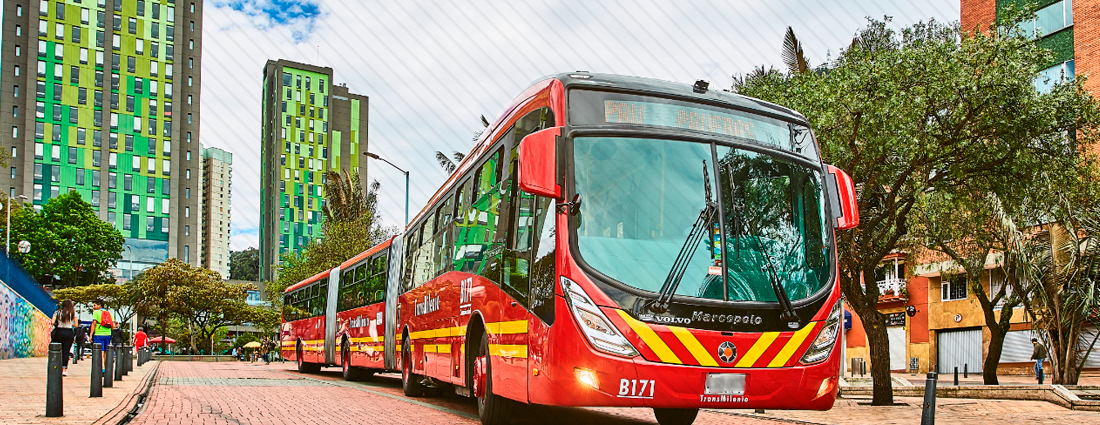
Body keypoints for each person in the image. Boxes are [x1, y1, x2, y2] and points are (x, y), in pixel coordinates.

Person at [51, 300, 77, 376]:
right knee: (66, 351)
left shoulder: (58, 312)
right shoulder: (73, 313)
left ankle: (56, 367)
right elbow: (76, 324)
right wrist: (70, 324)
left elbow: (52, 322)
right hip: (69, 332)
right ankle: (64, 369)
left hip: (59, 332)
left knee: (58, 350)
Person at [90, 299, 115, 374]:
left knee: (100, 350)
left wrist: (91, 334)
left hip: (99, 334)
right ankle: (106, 367)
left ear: (99, 305)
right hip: (108, 334)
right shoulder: (109, 313)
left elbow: (94, 323)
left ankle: (102, 367)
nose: (94, 307)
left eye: (94, 305)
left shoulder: (96, 312)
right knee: (106, 351)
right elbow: (113, 326)